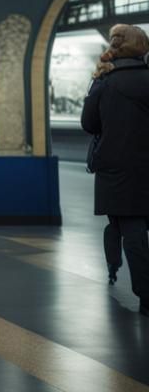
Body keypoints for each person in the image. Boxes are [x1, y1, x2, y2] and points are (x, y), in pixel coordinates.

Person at [81, 24, 149, 316]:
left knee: (129, 229)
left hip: (117, 170)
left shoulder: (104, 82)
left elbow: (89, 124)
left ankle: (143, 293)